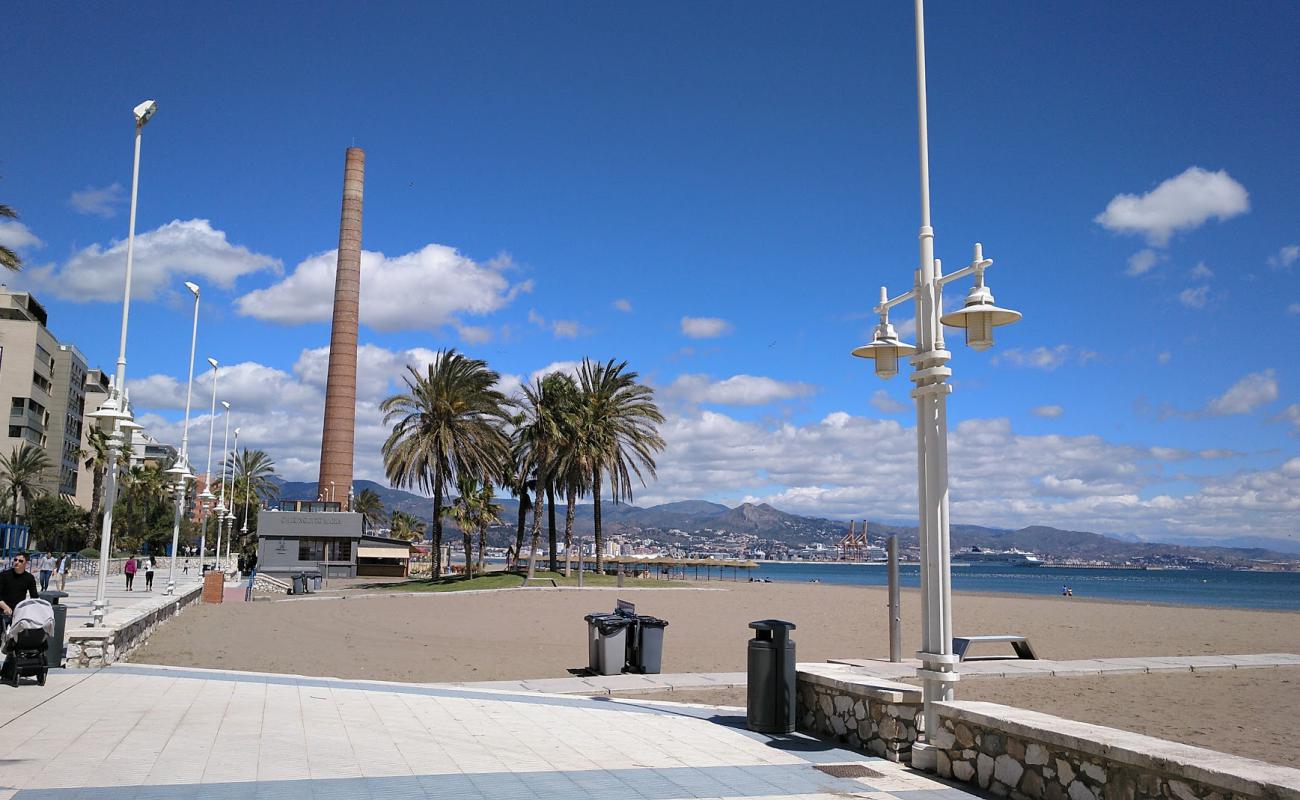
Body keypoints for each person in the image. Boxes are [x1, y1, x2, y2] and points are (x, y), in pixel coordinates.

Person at [0, 553, 40, 631]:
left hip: (18, 613)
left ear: (26, 563)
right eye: (15, 560)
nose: (17, 562)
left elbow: (34, 597)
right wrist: (5, 607)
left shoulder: (29, 578)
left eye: (20, 561)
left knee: (17, 639)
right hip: (2, 611)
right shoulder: (4, 575)